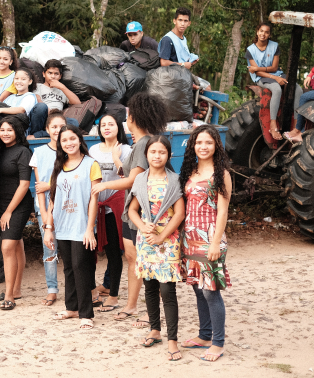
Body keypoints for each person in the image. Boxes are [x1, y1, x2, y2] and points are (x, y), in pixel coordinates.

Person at [91, 92, 169, 324]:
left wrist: (102, 185)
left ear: (135, 118)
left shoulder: (146, 143)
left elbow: (133, 180)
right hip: (131, 211)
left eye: (128, 115)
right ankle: (132, 305)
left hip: (144, 213)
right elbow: (130, 172)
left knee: (147, 260)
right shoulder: (139, 144)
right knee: (133, 257)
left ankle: (152, 309)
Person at [128, 135, 185, 361]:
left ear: (168, 155)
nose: (157, 156)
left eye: (162, 152)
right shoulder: (140, 180)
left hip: (167, 240)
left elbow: (179, 213)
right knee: (150, 287)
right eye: (153, 152)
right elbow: (132, 209)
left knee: (167, 291)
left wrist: (162, 236)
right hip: (146, 239)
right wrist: (143, 226)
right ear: (147, 154)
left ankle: (173, 340)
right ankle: (155, 330)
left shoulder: (174, 180)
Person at [179, 124, 232, 362]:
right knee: (198, 288)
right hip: (190, 238)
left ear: (216, 146)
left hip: (210, 238)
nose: (203, 147)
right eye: (199, 142)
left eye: (208, 143)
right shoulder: (189, 172)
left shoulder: (222, 174)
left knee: (211, 291)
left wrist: (214, 243)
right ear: (193, 145)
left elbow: (222, 212)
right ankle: (204, 335)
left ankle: (218, 343)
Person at [44, 124, 101, 330]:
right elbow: (53, 199)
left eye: (72, 139)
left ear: (79, 139)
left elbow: (94, 199)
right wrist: (48, 228)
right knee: (68, 267)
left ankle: (86, 314)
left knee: (81, 266)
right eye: (64, 140)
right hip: (62, 225)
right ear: (60, 144)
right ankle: (72, 307)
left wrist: (89, 228)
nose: (69, 143)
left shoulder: (91, 164)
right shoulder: (58, 165)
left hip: (81, 226)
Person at [89, 114, 132, 313]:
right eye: (103, 125)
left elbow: (128, 177)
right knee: (93, 251)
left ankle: (113, 296)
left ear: (118, 127)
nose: (106, 128)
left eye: (111, 124)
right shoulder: (94, 150)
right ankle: (94, 291)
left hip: (116, 208)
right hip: (96, 207)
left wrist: (116, 158)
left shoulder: (126, 150)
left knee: (115, 253)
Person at [0, 118, 34, 310]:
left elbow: (24, 184)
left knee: (7, 247)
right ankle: (15, 289)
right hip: (2, 202)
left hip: (19, 204)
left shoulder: (23, 152)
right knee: (16, 246)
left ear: (17, 131)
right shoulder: (0, 151)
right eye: (2, 130)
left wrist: (9, 211)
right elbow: (0, 181)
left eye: (9, 130)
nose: (5, 133)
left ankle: (9, 296)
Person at [30, 111, 67, 306]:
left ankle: (74, 286)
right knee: (50, 250)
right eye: (54, 127)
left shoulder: (71, 150)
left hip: (69, 208)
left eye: (61, 127)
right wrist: (45, 216)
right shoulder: (39, 153)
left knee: (70, 251)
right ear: (47, 129)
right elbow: (39, 188)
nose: (57, 130)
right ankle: (52, 289)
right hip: (45, 208)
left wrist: (50, 184)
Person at [245, 22, 301, 140]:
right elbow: (257, 73)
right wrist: (275, 78)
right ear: (257, 32)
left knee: (298, 89)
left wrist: (260, 69)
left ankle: (296, 126)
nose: (263, 34)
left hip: (277, 73)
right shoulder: (250, 50)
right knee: (276, 89)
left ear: (269, 34)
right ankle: (273, 123)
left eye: (266, 32)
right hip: (261, 77)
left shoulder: (274, 46)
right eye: (261, 31)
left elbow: (274, 68)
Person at [29, 60, 81, 138]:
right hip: (42, 117)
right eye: (50, 73)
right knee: (41, 107)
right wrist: (48, 110)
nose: (53, 76)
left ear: (60, 76)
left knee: (74, 123)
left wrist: (62, 87)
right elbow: (37, 100)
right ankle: (36, 133)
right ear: (44, 74)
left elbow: (77, 103)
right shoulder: (38, 86)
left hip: (57, 119)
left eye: (56, 74)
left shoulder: (62, 89)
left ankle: (39, 135)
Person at [0, 68, 38, 135]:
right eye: (16, 78)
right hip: (5, 126)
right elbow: (1, 108)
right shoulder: (10, 97)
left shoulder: (29, 96)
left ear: (30, 82)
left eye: (23, 79)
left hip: (19, 127)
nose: (19, 81)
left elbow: (21, 110)